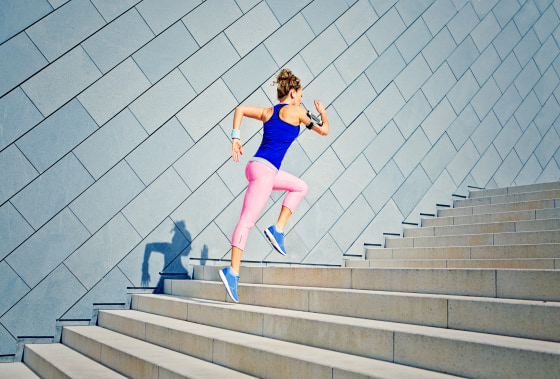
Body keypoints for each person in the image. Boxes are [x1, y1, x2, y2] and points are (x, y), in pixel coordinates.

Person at [219, 68, 329, 303]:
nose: (301, 99)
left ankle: (277, 230)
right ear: (292, 93)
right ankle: (232, 272)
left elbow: (239, 109)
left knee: (300, 186)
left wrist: (236, 137)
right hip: (265, 172)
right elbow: (324, 131)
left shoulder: (269, 111)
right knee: (246, 222)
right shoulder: (297, 110)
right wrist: (323, 113)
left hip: (259, 168)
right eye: (300, 94)